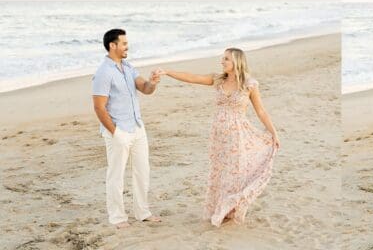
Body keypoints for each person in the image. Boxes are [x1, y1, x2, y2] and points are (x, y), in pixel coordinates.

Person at [154, 47, 279, 226]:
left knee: (235, 171)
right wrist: (167, 72)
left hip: (238, 133)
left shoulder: (249, 84)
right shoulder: (218, 80)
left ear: (236, 61)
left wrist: (274, 132)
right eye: (223, 58)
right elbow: (192, 77)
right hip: (218, 134)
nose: (222, 62)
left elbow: (261, 111)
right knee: (220, 172)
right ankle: (220, 206)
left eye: (226, 59)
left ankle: (230, 208)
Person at [91, 28, 162, 228]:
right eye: (123, 43)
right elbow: (98, 107)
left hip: (137, 128)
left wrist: (153, 82)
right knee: (116, 175)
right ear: (112, 45)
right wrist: (115, 132)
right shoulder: (103, 73)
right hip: (118, 131)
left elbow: (145, 89)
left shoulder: (128, 67)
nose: (126, 46)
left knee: (142, 171)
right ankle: (118, 217)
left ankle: (143, 212)